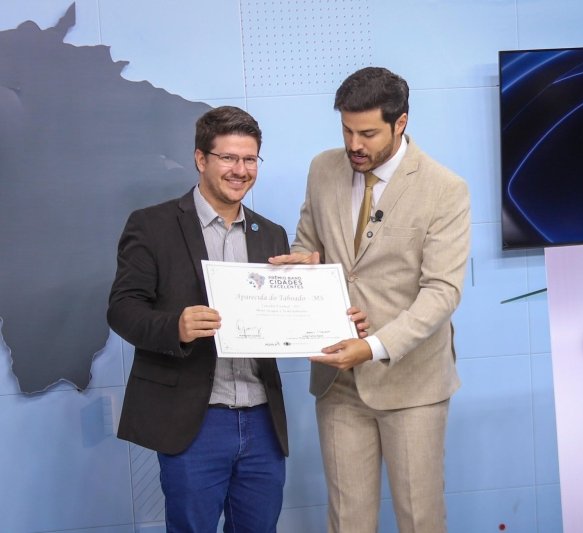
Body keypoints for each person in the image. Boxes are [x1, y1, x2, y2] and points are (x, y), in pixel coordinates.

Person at [270, 67, 471, 533]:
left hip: (412, 382)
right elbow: (308, 245)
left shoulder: (445, 189)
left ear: (400, 123)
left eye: (367, 134)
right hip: (337, 381)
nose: (354, 144)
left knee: (419, 520)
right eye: (346, 130)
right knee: (347, 521)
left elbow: (442, 292)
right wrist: (303, 267)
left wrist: (373, 345)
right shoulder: (323, 169)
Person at [107, 106, 290, 532]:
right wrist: (176, 327)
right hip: (194, 419)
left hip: (262, 419)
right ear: (200, 159)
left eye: (250, 159)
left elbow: (284, 317)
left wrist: (317, 304)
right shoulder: (151, 226)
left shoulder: (272, 234)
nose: (240, 170)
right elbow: (122, 308)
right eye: (228, 158)